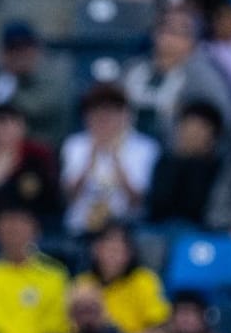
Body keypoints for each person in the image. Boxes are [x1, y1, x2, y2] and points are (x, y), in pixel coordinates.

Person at [122, 11, 231, 145]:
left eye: (179, 32)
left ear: (193, 40)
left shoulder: (204, 76)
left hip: (180, 154)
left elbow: (227, 117)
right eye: (165, 30)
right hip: (129, 150)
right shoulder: (133, 68)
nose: (169, 38)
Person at [60, 83, 159, 233]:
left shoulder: (144, 147)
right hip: (81, 228)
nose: (103, 118)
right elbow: (68, 197)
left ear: (125, 115)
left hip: (125, 230)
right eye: (97, 111)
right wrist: (89, 161)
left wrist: (116, 160)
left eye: (110, 112)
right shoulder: (75, 145)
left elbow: (138, 201)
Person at [0, 21, 69, 149]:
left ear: (36, 50)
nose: (19, 56)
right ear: (3, 53)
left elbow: (38, 108)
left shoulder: (51, 76)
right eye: (13, 50)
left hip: (42, 151)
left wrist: (8, 90)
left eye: (25, 49)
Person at [0, 103, 62, 233]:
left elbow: (53, 200)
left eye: (11, 122)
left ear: (22, 126)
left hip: (39, 227)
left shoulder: (40, 156)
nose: (4, 130)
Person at [146, 101, 224, 226]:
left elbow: (198, 208)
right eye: (187, 125)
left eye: (199, 127)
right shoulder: (165, 161)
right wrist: (178, 161)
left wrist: (196, 162)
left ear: (213, 134)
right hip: (159, 228)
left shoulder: (218, 167)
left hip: (200, 230)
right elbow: (157, 205)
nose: (191, 133)